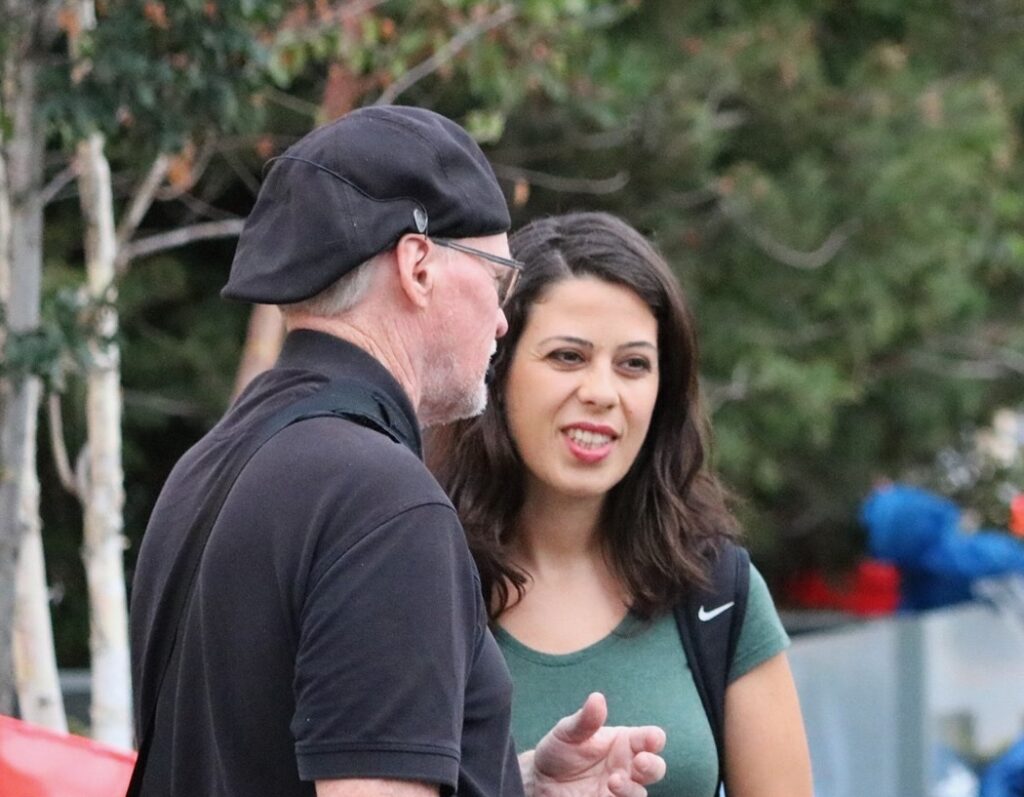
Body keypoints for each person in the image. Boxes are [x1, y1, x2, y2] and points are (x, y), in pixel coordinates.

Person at [128, 108, 667, 797]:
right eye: (498, 280)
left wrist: (514, 781)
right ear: (417, 267)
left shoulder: (210, 464)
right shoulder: (383, 502)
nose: (502, 320)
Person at [429, 212, 813, 797]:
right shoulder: (422, 579)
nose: (602, 393)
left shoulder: (715, 592)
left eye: (633, 364)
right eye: (568, 357)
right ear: (497, 370)